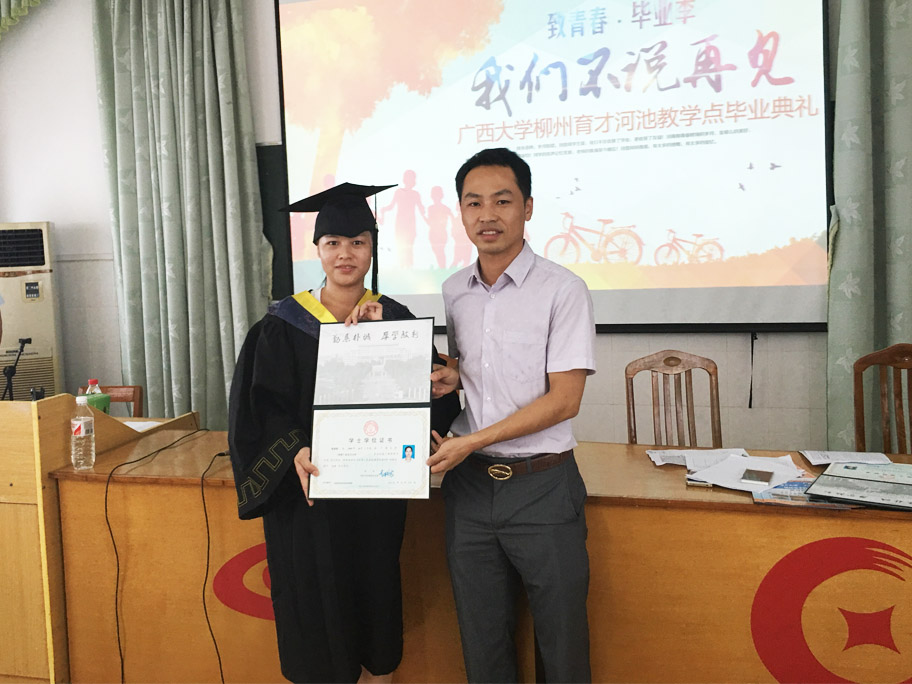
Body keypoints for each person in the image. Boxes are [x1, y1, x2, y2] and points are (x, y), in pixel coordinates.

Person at [228, 182, 460, 684]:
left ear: (372, 248)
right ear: (317, 249)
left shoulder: (395, 320)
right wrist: (294, 449)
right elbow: (260, 409)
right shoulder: (281, 325)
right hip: (308, 495)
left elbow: (432, 394)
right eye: (333, 243)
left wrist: (428, 421)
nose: (345, 254)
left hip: (375, 496)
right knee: (313, 606)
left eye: (357, 242)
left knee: (374, 597)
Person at [429, 148, 596, 683]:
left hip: (542, 487)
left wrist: (473, 440)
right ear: (460, 212)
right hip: (471, 490)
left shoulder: (563, 289)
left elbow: (564, 399)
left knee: (562, 646)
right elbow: (478, 369)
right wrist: (454, 377)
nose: (487, 215)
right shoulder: (455, 290)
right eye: (473, 202)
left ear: (527, 207)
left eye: (502, 201)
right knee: (482, 644)